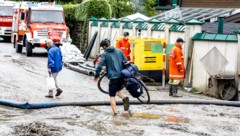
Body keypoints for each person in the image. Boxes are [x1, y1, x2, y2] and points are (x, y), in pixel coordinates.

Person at [94, 38, 129, 115]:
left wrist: (96, 75)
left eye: (102, 47)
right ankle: (124, 98)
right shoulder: (119, 51)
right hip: (122, 76)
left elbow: (100, 66)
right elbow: (126, 61)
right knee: (116, 90)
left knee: (111, 95)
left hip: (113, 77)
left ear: (104, 46)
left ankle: (114, 113)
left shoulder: (105, 54)